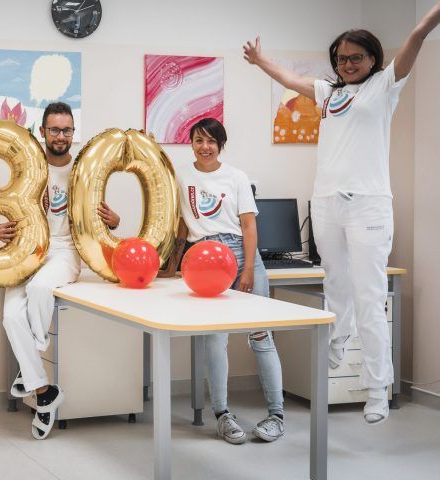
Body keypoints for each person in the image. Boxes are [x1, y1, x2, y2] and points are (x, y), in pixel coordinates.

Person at [243, 2, 440, 425]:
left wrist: (431, 17)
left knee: (369, 293)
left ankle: (376, 386)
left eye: (356, 57)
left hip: (368, 204)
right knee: (334, 281)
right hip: (326, 201)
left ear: (372, 59)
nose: (347, 64)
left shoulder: (385, 85)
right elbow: (290, 79)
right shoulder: (329, 93)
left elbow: (415, 39)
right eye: (341, 58)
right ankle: (341, 333)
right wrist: (260, 61)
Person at [0, 102, 120, 440]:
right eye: (55, 130)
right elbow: (10, 209)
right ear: (43, 132)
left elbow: (99, 218)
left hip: (65, 252)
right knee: (10, 317)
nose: (61, 136)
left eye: (67, 130)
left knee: (40, 290)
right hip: (28, 250)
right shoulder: (28, 168)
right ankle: (43, 391)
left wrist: (115, 221)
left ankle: (31, 366)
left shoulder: (84, 171)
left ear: (73, 133)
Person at [160, 118, 285, 444]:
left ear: (220, 145)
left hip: (241, 255)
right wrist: (172, 263)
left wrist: (247, 270)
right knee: (215, 339)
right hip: (204, 259)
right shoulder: (181, 176)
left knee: (261, 336)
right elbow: (181, 223)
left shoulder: (236, 177)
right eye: (199, 140)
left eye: (211, 141)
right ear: (191, 143)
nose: (205, 147)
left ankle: (276, 415)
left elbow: (248, 226)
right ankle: (222, 415)